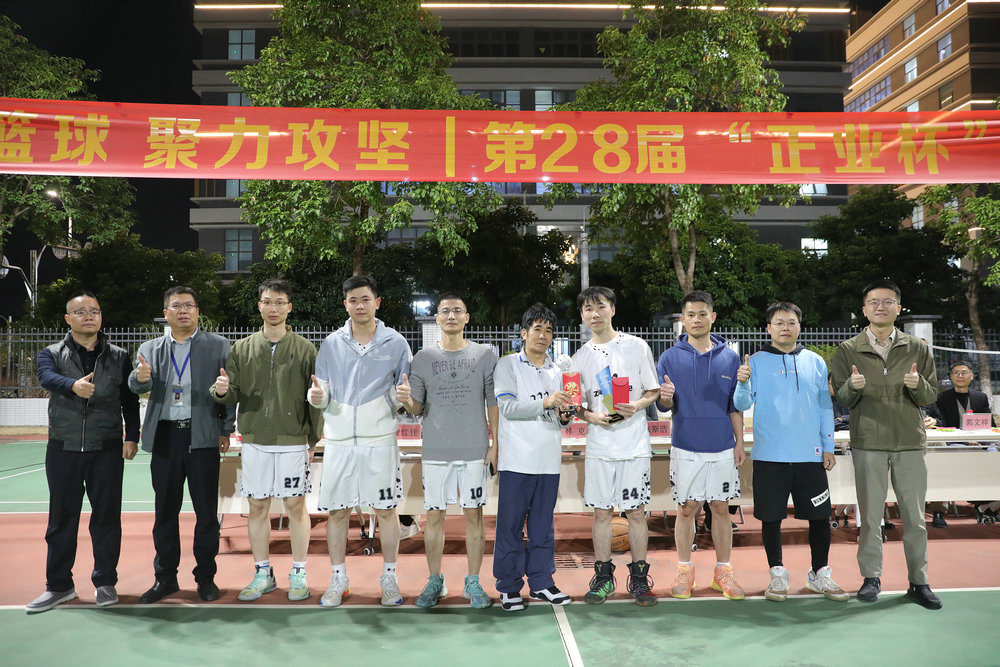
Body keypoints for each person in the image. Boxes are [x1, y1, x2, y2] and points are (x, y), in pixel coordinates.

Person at [26, 292, 140, 613]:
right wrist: (72, 385)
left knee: (107, 519)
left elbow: (129, 401)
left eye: (94, 311)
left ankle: (105, 582)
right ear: (68, 319)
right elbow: (46, 378)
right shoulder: (51, 353)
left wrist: (132, 436)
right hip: (63, 448)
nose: (88, 316)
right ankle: (59, 585)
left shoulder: (119, 356)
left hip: (106, 449)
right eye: (80, 312)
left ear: (101, 316)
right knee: (61, 520)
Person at [830, 279, 941, 609]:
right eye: (874, 302)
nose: (881, 307)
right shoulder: (848, 349)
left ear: (898, 308)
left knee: (915, 518)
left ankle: (919, 581)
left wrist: (917, 384)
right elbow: (842, 397)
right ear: (864, 309)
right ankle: (871, 578)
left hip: (909, 442)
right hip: (868, 443)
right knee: (869, 517)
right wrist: (853, 386)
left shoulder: (918, 348)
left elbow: (930, 395)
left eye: (888, 301)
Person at [210, 278, 322, 602]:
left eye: (280, 302)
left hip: (292, 441)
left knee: (296, 506)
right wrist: (220, 391)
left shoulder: (305, 349)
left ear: (289, 307)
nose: (273, 308)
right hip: (255, 439)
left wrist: (312, 439)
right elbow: (231, 391)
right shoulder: (242, 348)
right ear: (259, 306)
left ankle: (298, 572)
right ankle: (263, 573)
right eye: (268, 302)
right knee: (257, 506)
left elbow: (314, 397)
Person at [733, 302, 847, 602]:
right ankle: (778, 574)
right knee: (771, 519)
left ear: (799, 326)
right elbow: (742, 404)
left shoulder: (815, 361)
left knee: (820, 518)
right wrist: (742, 383)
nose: (786, 327)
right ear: (768, 328)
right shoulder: (756, 362)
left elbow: (825, 406)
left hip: (810, 456)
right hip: (769, 456)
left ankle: (819, 574)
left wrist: (828, 446)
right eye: (779, 322)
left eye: (791, 322)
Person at [308, 275, 411, 607]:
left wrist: (400, 398)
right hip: (339, 441)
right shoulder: (331, 343)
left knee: (386, 510)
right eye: (353, 300)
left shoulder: (396, 343)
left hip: (379, 441)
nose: (360, 305)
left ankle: (390, 578)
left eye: (365, 299)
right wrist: (317, 397)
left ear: (377, 302)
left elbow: (405, 393)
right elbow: (321, 391)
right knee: (337, 513)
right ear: (345, 305)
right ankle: (339, 579)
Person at [129, 286, 234, 604]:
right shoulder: (150, 348)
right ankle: (165, 578)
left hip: (203, 436)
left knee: (206, 514)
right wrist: (141, 377)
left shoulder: (219, 345)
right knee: (165, 513)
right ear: (166, 313)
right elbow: (137, 386)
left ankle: (206, 577)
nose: (183, 310)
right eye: (176, 306)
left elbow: (229, 391)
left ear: (198, 311)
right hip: (166, 437)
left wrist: (225, 429)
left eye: (189, 305)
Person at [396, 293, 498, 609]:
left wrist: (495, 445)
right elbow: (416, 407)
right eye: (445, 311)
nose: (451, 315)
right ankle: (434, 580)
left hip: (474, 450)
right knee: (434, 516)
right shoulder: (422, 358)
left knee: (474, 516)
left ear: (467, 317)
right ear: (437, 318)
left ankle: (473, 581)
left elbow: (493, 404)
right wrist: (405, 398)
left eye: (457, 310)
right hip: (436, 451)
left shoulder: (485, 356)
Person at [573, 287, 660, 606]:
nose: (594, 313)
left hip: (634, 445)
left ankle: (639, 579)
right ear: (582, 316)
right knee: (601, 513)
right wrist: (591, 417)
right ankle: (603, 578)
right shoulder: (579, 357)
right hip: (599, 447)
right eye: (587, 309)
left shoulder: (636, 346)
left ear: (612, 309)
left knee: (636, 513)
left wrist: (636, 405)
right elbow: (575, 406)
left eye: (600, 306)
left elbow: (653, 390)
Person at [657, 290, 746, 601]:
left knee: (720, 508)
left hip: (722, 446)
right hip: (685, 446)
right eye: (691, 315)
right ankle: (684, 571)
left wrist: (740, 442)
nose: (697, 319)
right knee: (686, 509)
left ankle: (724, 572)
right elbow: (664, 405)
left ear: (713, 317)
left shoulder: (730, 357)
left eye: (702, 314)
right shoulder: (669, 357)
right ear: (683, 319)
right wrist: (665, 399)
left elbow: (734, 406)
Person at [491, 303, 575, 611]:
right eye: (537, 329)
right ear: (524, 333)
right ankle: (509, 586)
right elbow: (508, 408)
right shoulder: (507, 365)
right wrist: (547, 403)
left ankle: (541, 582)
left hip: (548, 461)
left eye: (548, 330)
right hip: (516, 461)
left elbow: (561, 419)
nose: (543, 335)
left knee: (543, 527)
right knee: (510, 526)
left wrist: (565, 414)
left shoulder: (559, 372)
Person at [925, 360, 997, 525]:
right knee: (943, 462)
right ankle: (939, 511)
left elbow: (990, 424)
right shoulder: (942, 398)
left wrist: (978, 439)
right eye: (956, 373)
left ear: (971, 376)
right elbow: (941, 422)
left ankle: (987, 505)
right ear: (951, 377)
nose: (960, 376)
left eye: (964, 372)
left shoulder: (980, 398)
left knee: (995, 457)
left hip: (981, 443)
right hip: (954, 443)